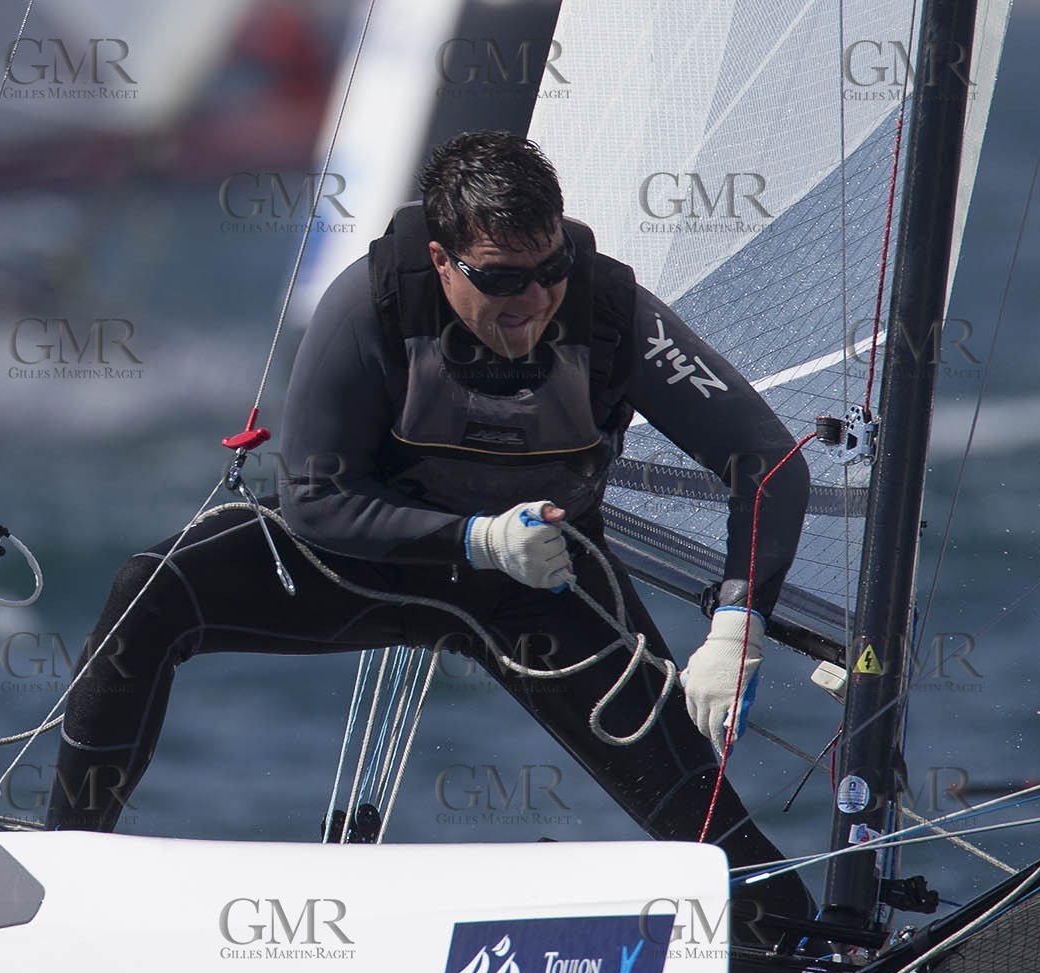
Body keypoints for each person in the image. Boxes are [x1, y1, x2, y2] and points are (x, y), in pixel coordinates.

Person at [44, 131, 814, 924]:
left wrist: (737, 622)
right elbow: (313, 499)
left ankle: (808, 968)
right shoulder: (369, 304)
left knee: (704, 818)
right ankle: (60, 879)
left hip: (540, 590)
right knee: (149, 590)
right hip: (359, 560)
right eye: (503, 280)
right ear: (443, 261)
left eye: (550, 271)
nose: (533, 301)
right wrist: (477, 539)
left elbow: (770, 462)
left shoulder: (609, 311)